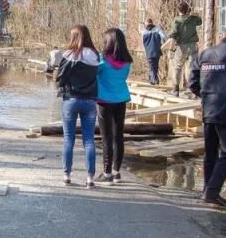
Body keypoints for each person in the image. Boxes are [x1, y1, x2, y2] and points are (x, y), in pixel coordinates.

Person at [189, 25, 226, 207]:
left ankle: (208, 190)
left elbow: (192, 81)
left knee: (210, 153)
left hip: (209, 108)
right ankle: (212, 191)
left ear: (222, 36)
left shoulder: (204, 54)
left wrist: (206, 95)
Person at [50, 25, 99, 188]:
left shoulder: (69, 54)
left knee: (69, 138)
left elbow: (60, 78)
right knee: (89, 140)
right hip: (90, 101)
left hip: (71, 99)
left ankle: (66, 175)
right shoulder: (95, 55)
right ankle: (90, 177)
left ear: (74, 37)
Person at [96, 28, 133, 184]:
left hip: (104, 101)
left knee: (107, 138)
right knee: (119, 136)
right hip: (121, 99)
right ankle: (117, 172)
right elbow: (123, 77)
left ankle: (107, 173)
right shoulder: (127, 62)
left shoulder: (102, 60)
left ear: (108, 42)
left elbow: (93, 73)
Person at [169, 1, 202, 96]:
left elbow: (173, 35)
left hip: (181, 46)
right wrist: (193, 13)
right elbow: (200, 21)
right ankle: (192, 90)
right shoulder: (193, 19)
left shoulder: (177, 20)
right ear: (188, 9)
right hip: (193, 45)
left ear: (178, 10)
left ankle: (175, 89)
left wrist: (171, 49)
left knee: (177, 67)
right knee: (192, 67)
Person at [140, 18, 166, 85]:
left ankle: (155, 80)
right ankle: (152, 80)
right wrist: (164, 44)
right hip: (157, 51)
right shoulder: (157, 29)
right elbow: (164, 36)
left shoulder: (144, 32)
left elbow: (143, 43)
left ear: (146, 24)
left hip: (149, 52)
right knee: (155, 66)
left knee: (151, 67)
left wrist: (144, 50)